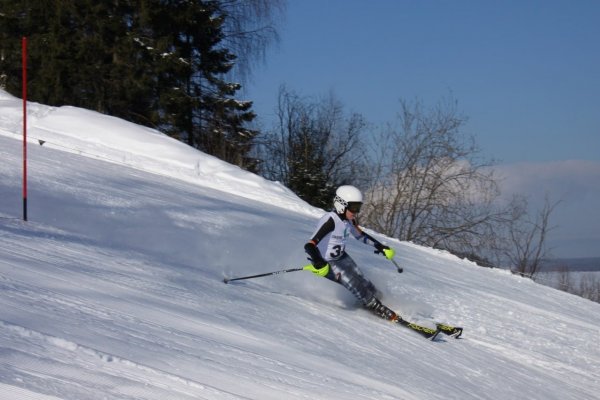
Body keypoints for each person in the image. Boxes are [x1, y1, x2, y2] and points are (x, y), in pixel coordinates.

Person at [303, 185, 398, 321]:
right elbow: (309, 245)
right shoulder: (330, 220)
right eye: (353, 207)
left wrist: (380, 246)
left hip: (341, 257)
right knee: (353, 282)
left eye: (358, 207)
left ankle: (379, 298)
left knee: (362, 279)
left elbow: (360, 236)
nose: (356, 212)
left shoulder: (349, 220)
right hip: (325, 263)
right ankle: (376, 307)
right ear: (341, 204)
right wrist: (318, 262)